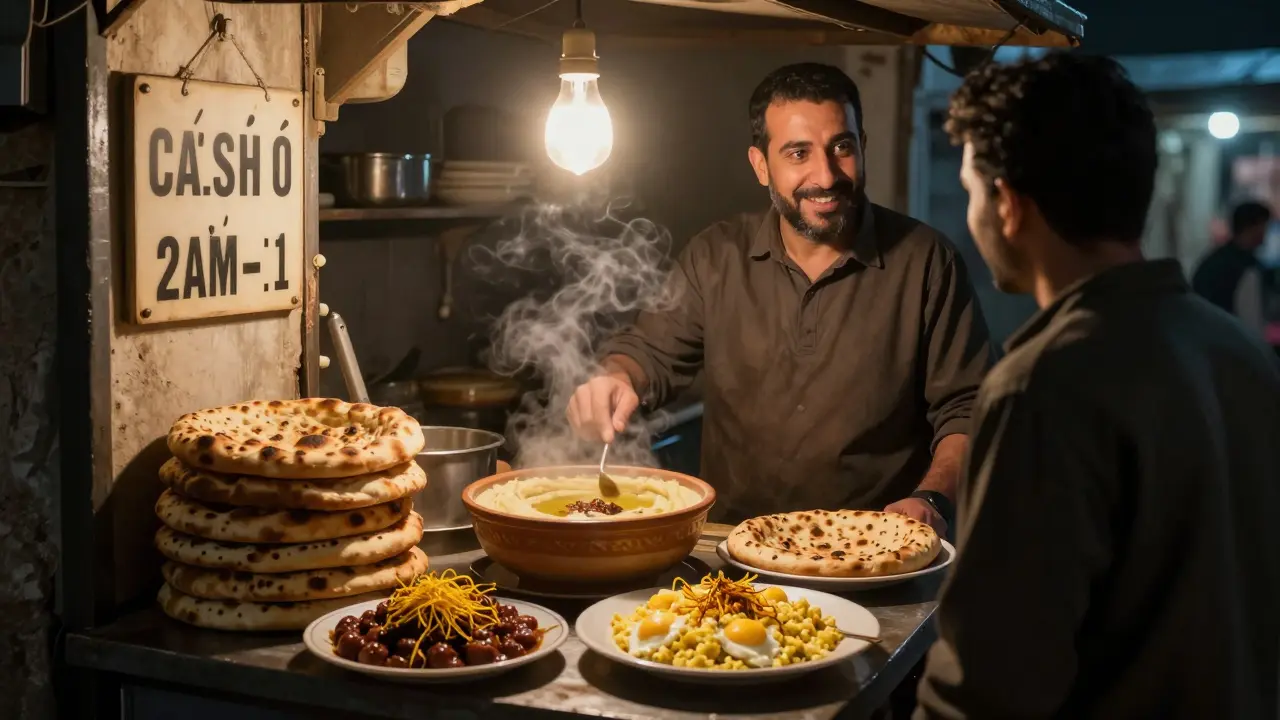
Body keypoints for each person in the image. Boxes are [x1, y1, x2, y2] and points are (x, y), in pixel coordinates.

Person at [915, 53, 1280, 719]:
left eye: (972, 191)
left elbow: (988, 686)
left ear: (1009, 204)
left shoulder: (1043, 386)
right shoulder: (1240, 352)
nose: (972, 215)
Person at [566, 63, 993, 532]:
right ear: (761, 165)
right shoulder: (716, 255)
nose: (826, 175)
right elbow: (647, 354)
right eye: (798, 153)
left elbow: (969, 409)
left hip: (874, 552)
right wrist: (613, 379)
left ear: (862, 147)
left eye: (841, 147)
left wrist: (931, 497)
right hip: (732, 548)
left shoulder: (927, 261)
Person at [1192, 200, 1275, 338]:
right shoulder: (1248, 269)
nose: (1266, 233)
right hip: (1231, 346)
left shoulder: (1211, 260)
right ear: (1254, 228)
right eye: (1264, 227)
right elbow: (1252, 325)